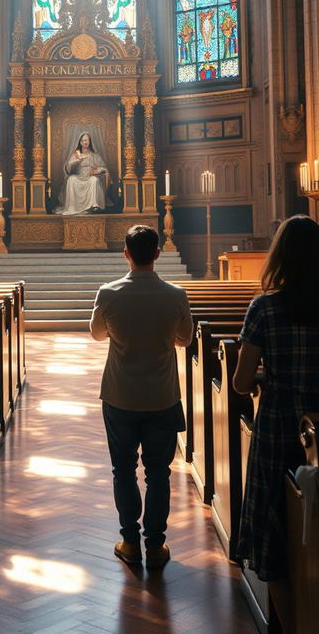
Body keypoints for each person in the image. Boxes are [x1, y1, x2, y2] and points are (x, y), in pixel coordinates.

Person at [233, 215, 319, 628]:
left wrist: (279, 381)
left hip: (279, 427)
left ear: (280, 258)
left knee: (273, 533)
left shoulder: (264, 308)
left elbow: (241, 382)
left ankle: (293, 623)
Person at [90, 225, 193, 568]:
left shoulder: (109, 292)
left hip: (120, 395)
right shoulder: (176, 294)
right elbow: (185, 338)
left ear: (126, 254)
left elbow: (96, 334)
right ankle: (156, 544)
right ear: (158, 254)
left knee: (123, 469)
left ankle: (129, 542)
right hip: (162, 395)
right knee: (159, 473)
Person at [58, 132, 107, 215]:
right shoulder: (76, 155)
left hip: (89, 177)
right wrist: (75, 161)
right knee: (71, 179)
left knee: (94, 180)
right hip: (79, 177)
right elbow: (68, 169)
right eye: (83, 141)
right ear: (80, 142)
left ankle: (94, 205)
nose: (85, 142)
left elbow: (103, 168)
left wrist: (97, 170)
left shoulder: (94, 155)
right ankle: (72, 207)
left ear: (89, 141)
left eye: (86, 140)